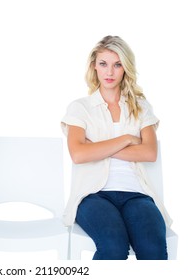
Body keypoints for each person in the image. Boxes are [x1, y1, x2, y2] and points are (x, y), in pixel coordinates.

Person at [61, 35, 172, 260]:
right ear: (94, 66)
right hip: (93, 195)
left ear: (125, 68)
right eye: (103, 64)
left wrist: (98, 148)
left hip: (137, 195)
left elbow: (149, 153)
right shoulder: (80, 108)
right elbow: (79, 154)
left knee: (153, 250)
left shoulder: (141, 107)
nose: (109, 72)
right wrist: (127, 138)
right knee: (113, 247)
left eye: (117, 64)